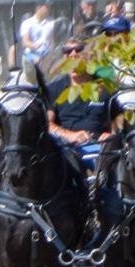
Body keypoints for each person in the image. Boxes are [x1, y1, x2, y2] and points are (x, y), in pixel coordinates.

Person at [46, 37, 111, 169]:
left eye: (79, 50)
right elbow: (47, 124)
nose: (73, 54)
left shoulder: (105, 87)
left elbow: (119, 121)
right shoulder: (54, 88)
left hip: (101, 150)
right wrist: (70, 136)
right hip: (65, 151)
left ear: (89, 55)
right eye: (68, 51)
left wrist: (113, 135)